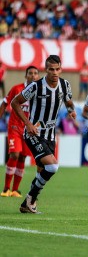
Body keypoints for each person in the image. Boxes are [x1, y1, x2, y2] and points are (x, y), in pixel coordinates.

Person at [11, 55, 76, 214]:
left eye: (57, 69)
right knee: (52, 165)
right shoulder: (35, 86)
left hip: (50, 135)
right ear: (46, 70)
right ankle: (30, 199)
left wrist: (71, 111)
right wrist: (28, 124)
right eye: (51, 69)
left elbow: (68, 101)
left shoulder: (65, 85)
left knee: (41, 170)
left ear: (61, 69)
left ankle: (29, 204)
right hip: (33, 133)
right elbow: (14, 102)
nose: (54, 72)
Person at [0, 66, 39, 197]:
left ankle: (15, 190)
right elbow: (4, 103)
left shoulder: (40, 92)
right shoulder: (17, 89)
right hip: (15, 127)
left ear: (38, 76)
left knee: (22, 157)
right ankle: (6, 189)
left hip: (28, 130)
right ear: (26, 76)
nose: (33, 75)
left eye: (35, 73)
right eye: (30, 73)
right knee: (14, 155)